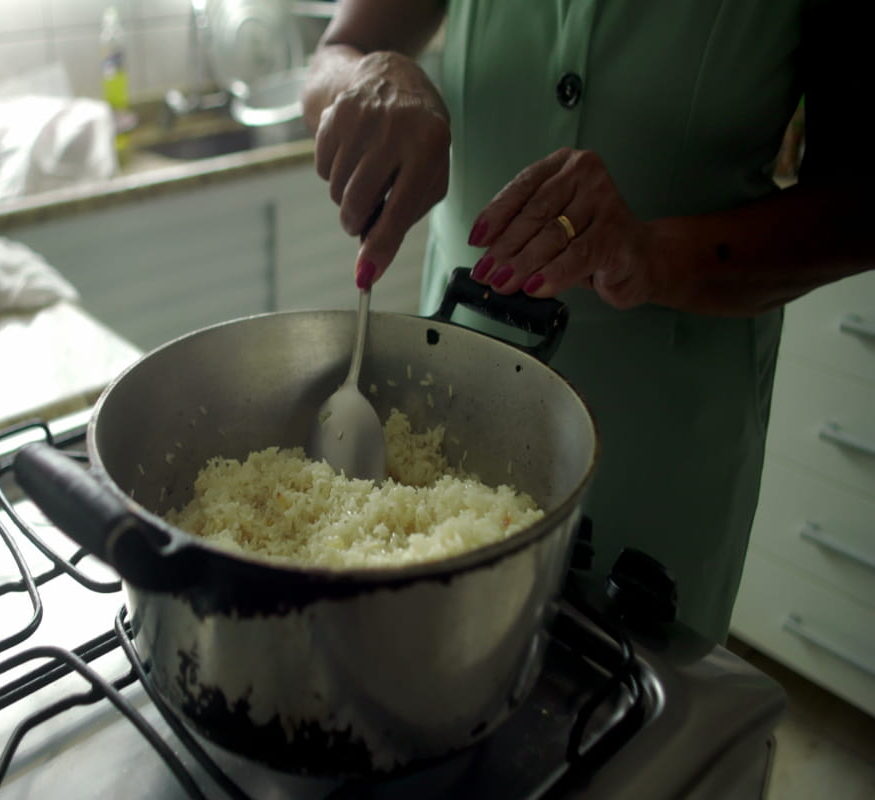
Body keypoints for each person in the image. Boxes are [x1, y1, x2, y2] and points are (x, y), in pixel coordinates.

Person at [302, 0, 874, 643]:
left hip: (664, 441)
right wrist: (366, 79)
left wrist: (656, 254)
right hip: (447, 394)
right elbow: (331, 56)